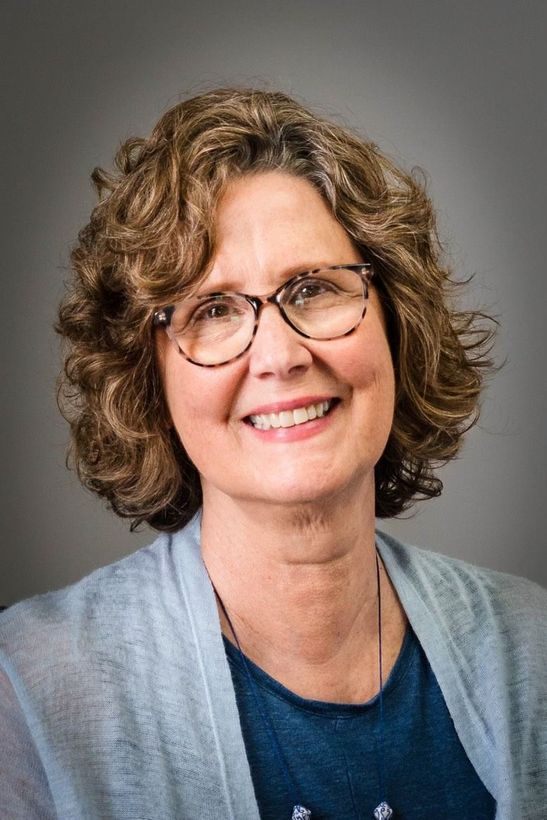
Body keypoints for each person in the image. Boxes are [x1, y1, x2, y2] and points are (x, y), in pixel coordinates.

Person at [0, 87, 545, 820]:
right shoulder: (25, 694)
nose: (280, 355)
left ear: (395, 324)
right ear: (148, 379)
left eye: (313, 288)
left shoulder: (533, 648)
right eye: (214, 310)